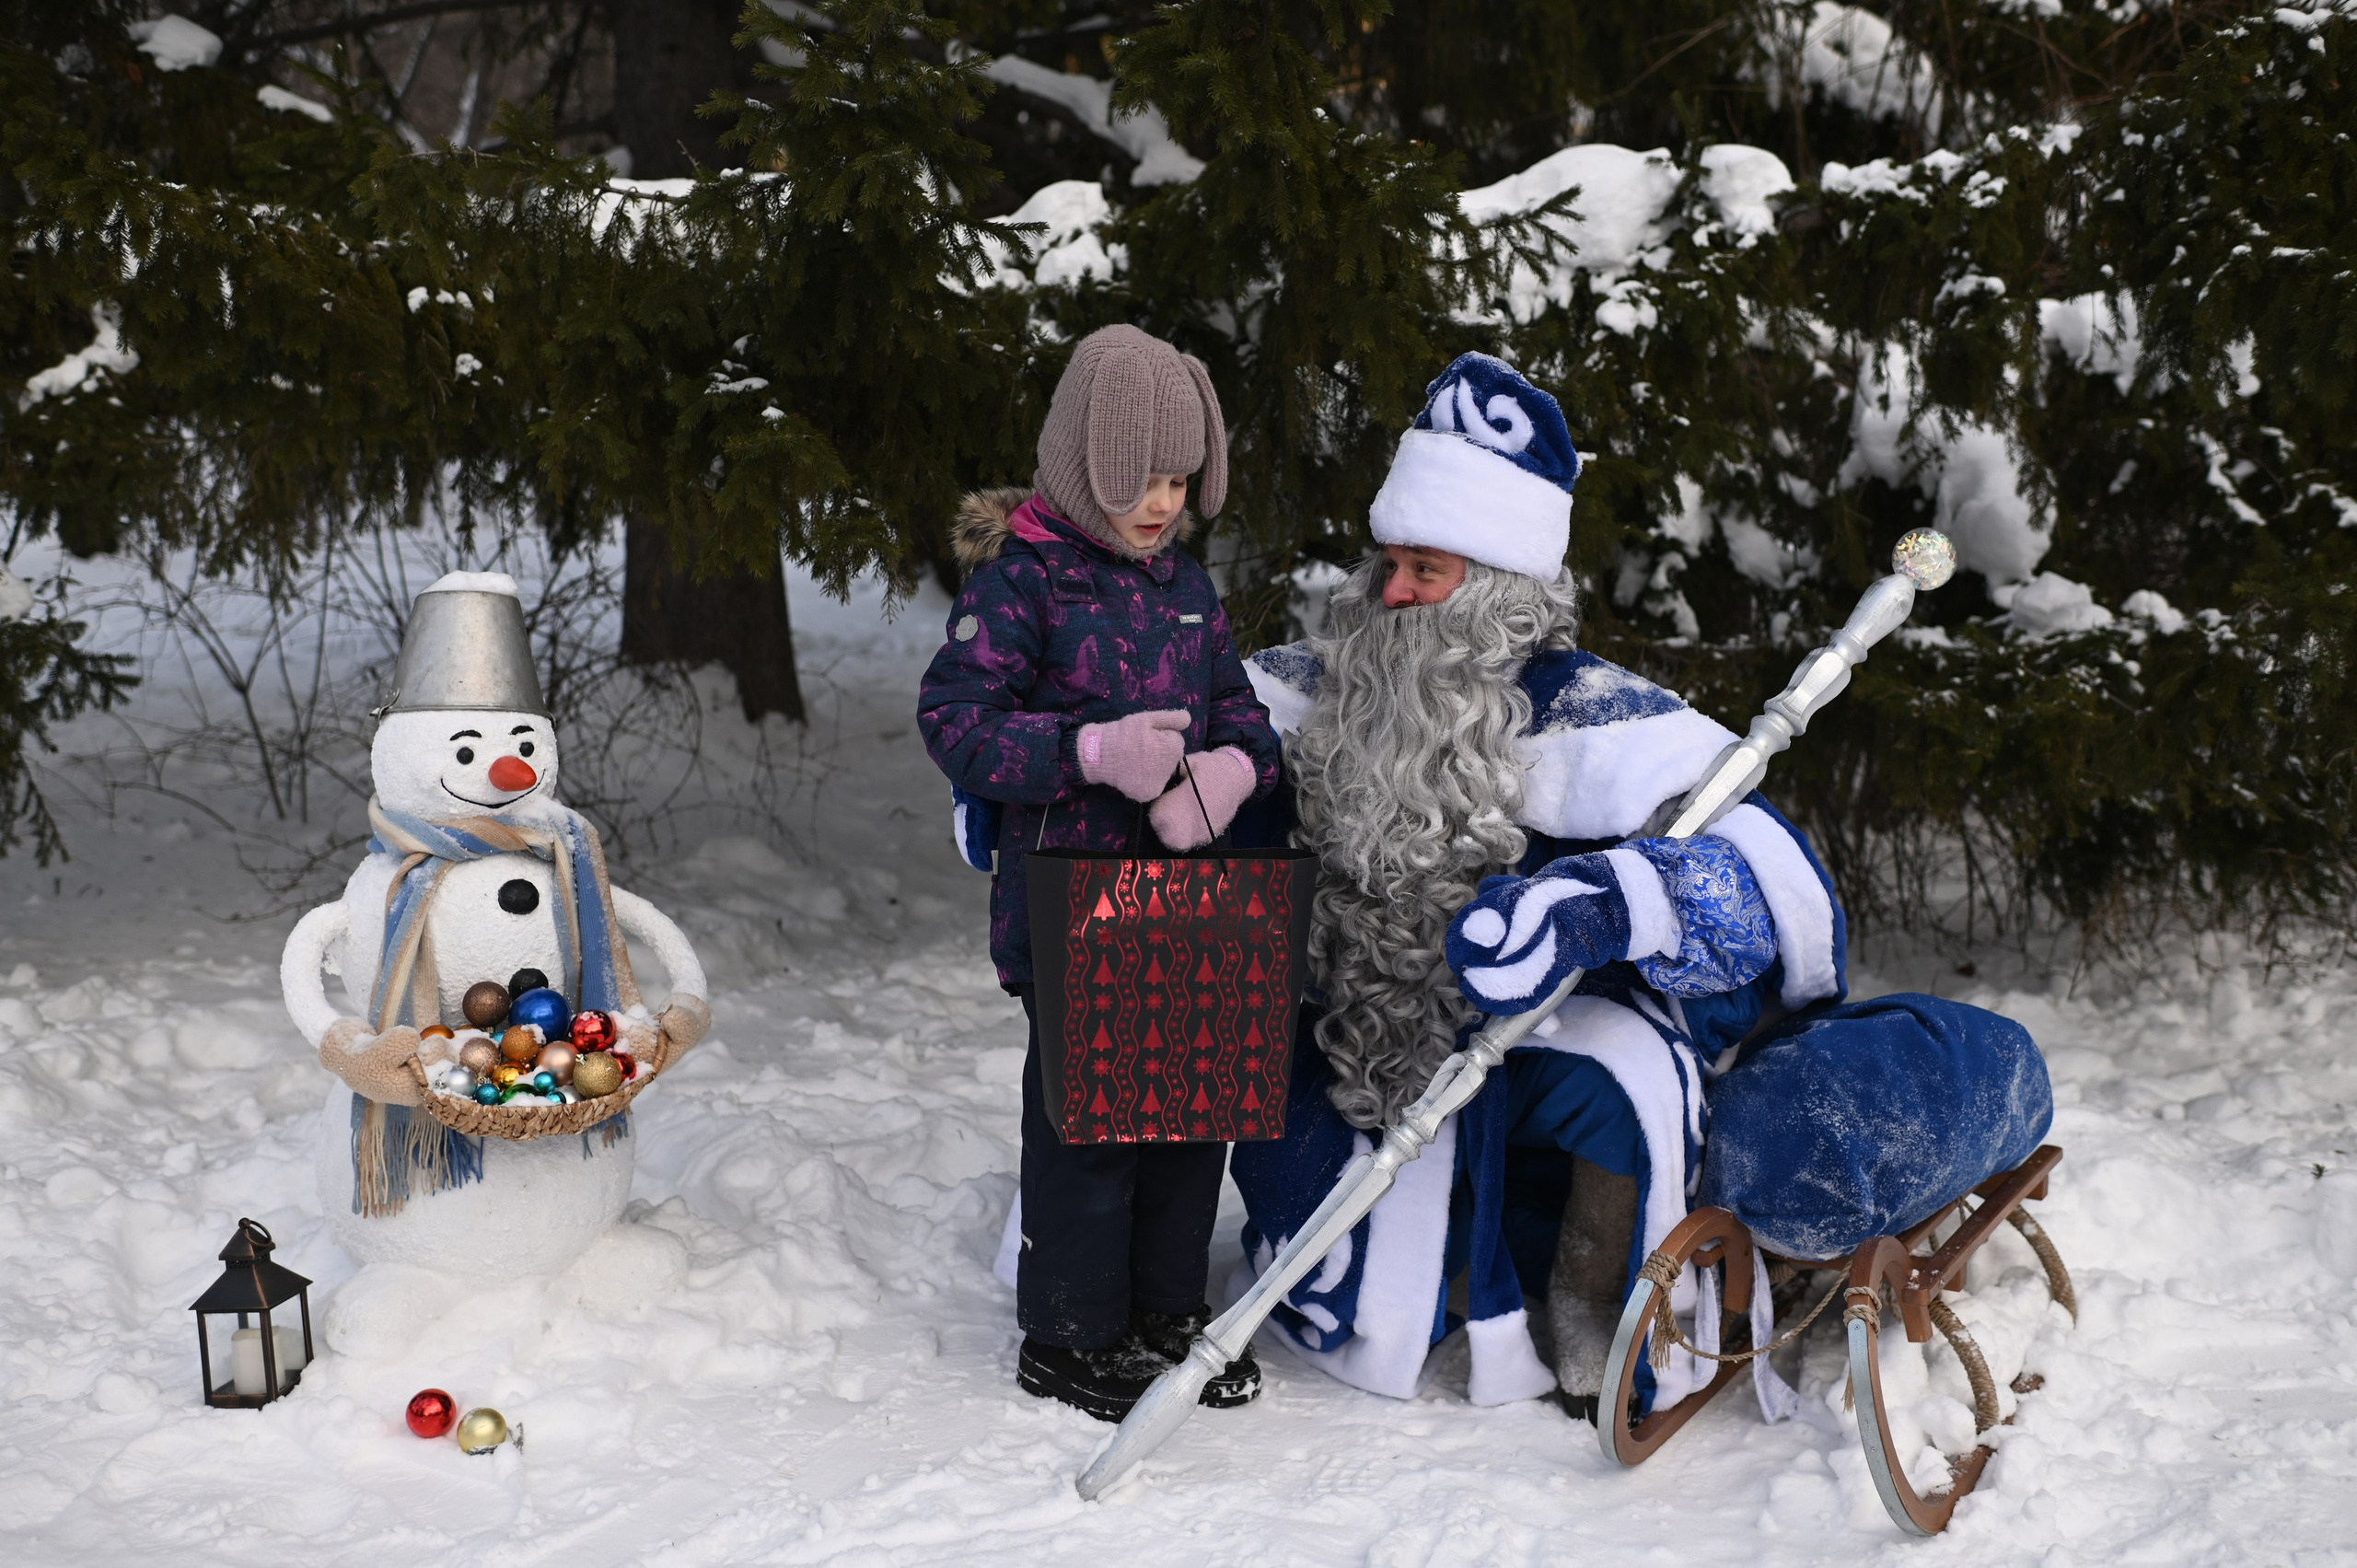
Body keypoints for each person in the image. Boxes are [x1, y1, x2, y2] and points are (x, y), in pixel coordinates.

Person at [1228, 352, 1851, 1418]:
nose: (1390, 595)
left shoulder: (1601, 716)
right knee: (1320, 1202)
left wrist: (1605, 906)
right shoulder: (1305, 687)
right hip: (1337, 1036)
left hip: (1525, 1044)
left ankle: (1596, 1301)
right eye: (1387, 562)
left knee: (1618, 1073)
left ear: (1502, 594)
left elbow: (1764, 890)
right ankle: (1434, 1271)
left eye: (1426, 572)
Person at [918, 325, 1283, 1422]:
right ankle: (1072, 1334)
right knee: (1093, 1124)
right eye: (1139, 479)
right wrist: (1084, 754)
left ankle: (1167, 1314)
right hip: (1070, 903)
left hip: (1187, 902)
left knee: (1186, 1113)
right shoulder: (1021, 581)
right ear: (1083, 469)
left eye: (1178, 478)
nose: (1161, 502)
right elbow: (955, 721)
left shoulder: (1186, 588)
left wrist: (1222, 774)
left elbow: (1246, 722)